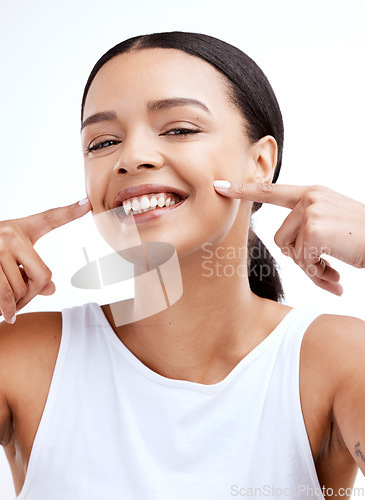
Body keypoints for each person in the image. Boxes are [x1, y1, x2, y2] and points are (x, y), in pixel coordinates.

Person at [0, 31, 365, 499]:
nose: (131, 158)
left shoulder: (337, 361)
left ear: (259, 162)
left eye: (179, 129)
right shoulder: (21, 359)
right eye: (102, 141)